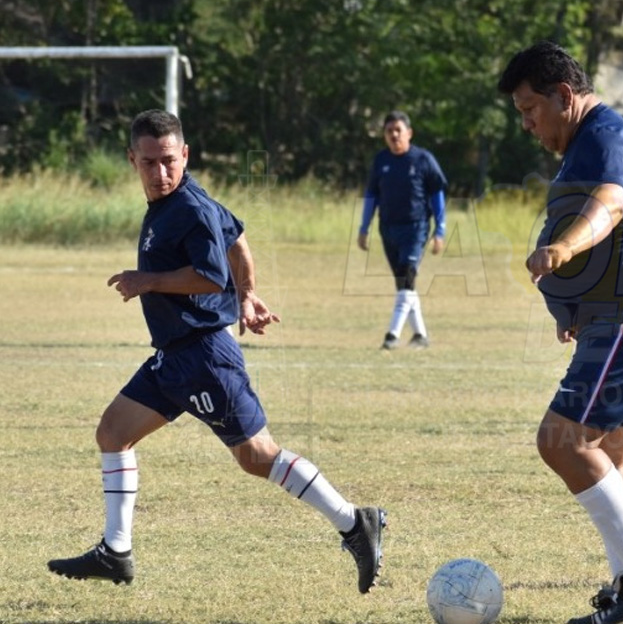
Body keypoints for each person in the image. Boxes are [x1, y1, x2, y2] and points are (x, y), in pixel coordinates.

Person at [47, 109, 386, 595]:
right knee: (113, 432)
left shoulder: (189, 207)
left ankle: (356, 522)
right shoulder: (186, 200)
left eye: (169, 161)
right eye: (149, 162)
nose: (161, 172)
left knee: (257, 456)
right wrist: (247, 294)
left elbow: (211, 275)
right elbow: (237, 237)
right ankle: (115, 551)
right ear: (132, 160)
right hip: (173, 355)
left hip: (204, 355)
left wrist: (151, 282)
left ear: (185, 154)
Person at [497, 41, 623, 624]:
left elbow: (608, 207)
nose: (528, 124)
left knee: (561, 440)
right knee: (616, 454)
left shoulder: (603, 135)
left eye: (531, 110)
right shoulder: (586, 143)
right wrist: (572, 305)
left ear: (564, 95)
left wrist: (564, 246)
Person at [358, 110, 447, 350]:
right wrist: (363, 228)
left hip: (416, 228)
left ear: (409, 133)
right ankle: (420, 335)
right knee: (404, 284)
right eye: (389, 131)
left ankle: (392, 335)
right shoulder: (381, 161)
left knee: (407, 277)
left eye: (398, 130)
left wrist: (440, 230)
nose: (394, 135)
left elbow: (437, 194)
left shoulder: (423, 159)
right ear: (384, 136)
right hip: (387, 229)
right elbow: (371, 196)